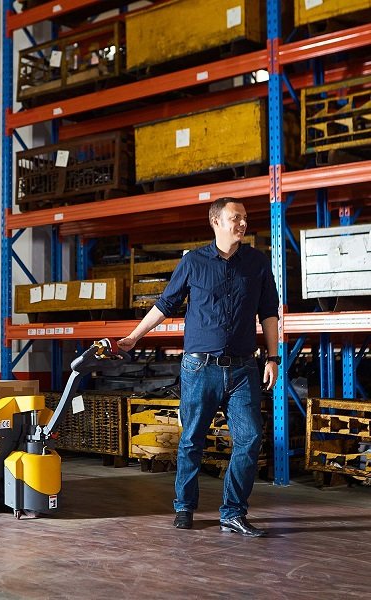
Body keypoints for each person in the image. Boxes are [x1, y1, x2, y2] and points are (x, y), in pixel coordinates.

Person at [118, 197, 280, 537]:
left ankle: (232, 512)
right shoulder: (193, 262)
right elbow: (166, 304)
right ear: (216, 222)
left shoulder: (257, 263)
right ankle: (184, 506)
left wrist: (273, 357)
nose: (242, 223)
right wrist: (134, 336)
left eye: (245, 218)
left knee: (250, 438)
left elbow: (268, 312)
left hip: (243, 370)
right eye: (235, 217)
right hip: (199, 368)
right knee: (192, 439)